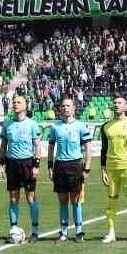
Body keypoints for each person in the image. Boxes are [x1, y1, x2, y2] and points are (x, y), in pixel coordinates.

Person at [45, 97, 92, 242]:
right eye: (63, 106)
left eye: (68, 105)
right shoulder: (55, 127)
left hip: (75, 165)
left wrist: (87, 169)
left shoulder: (80, 126)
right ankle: (64, 232)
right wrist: (50, 166)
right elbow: (51, 147)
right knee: (62, 200)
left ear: (73, 108)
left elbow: (88, 149)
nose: (65, 108)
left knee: (76, 200)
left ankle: (79, 232)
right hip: (60, 166)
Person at [0, 95, 43, 242]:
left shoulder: (32, 124)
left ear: (25, 105)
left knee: (30, 198)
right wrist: (0, 164)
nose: (15, 104)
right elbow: (4, 145)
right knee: (13, 198)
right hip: (12, 164)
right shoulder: (7, 125)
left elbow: (37, 145)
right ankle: (14, 230)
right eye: (14, 102)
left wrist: (36, 165)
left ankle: (35, 231)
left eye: (19, 102)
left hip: (27, 164)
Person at [99, 96, 127, 243]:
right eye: (115, 103)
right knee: (111, 202)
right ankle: (111, 233)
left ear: (126, 107)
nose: (116, 105)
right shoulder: (105, 126)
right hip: (111, 169)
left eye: (120, 103)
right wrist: (103, 170)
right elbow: (103, 149)